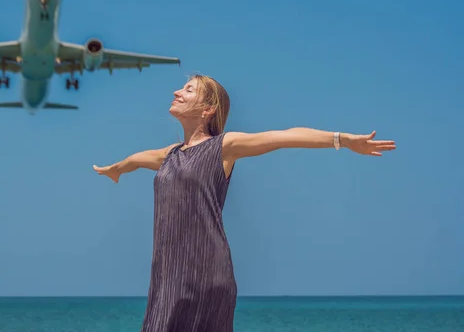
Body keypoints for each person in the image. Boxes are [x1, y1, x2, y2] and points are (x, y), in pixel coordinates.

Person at [93, 74, 396, 331]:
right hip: (166, 274)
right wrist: (115, 170)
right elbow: (134, 160)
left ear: (208, 109)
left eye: (188, 90)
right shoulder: (169, 155)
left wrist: (342, 139)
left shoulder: (223, 147)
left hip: (205, 273)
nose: (176, 92)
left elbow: (284, 137)